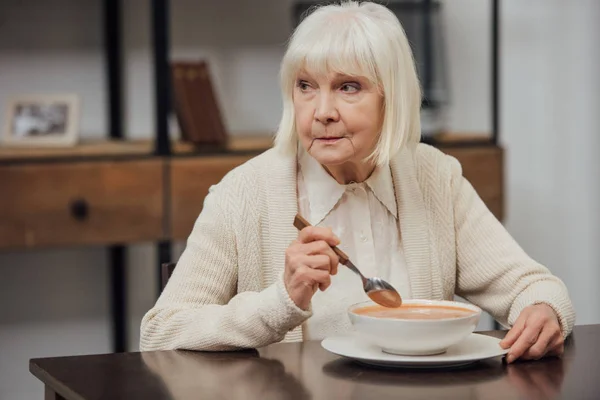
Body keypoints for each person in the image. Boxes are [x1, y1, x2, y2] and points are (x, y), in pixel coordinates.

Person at [140, 1, 575, 364]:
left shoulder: (435, 177)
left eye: (348, 87)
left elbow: (533, 285)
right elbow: (160, 332)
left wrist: (543, 310)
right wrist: (281, 300)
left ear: (393, 96)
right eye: (306, 86)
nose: (321, 111)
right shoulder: (243, 193)